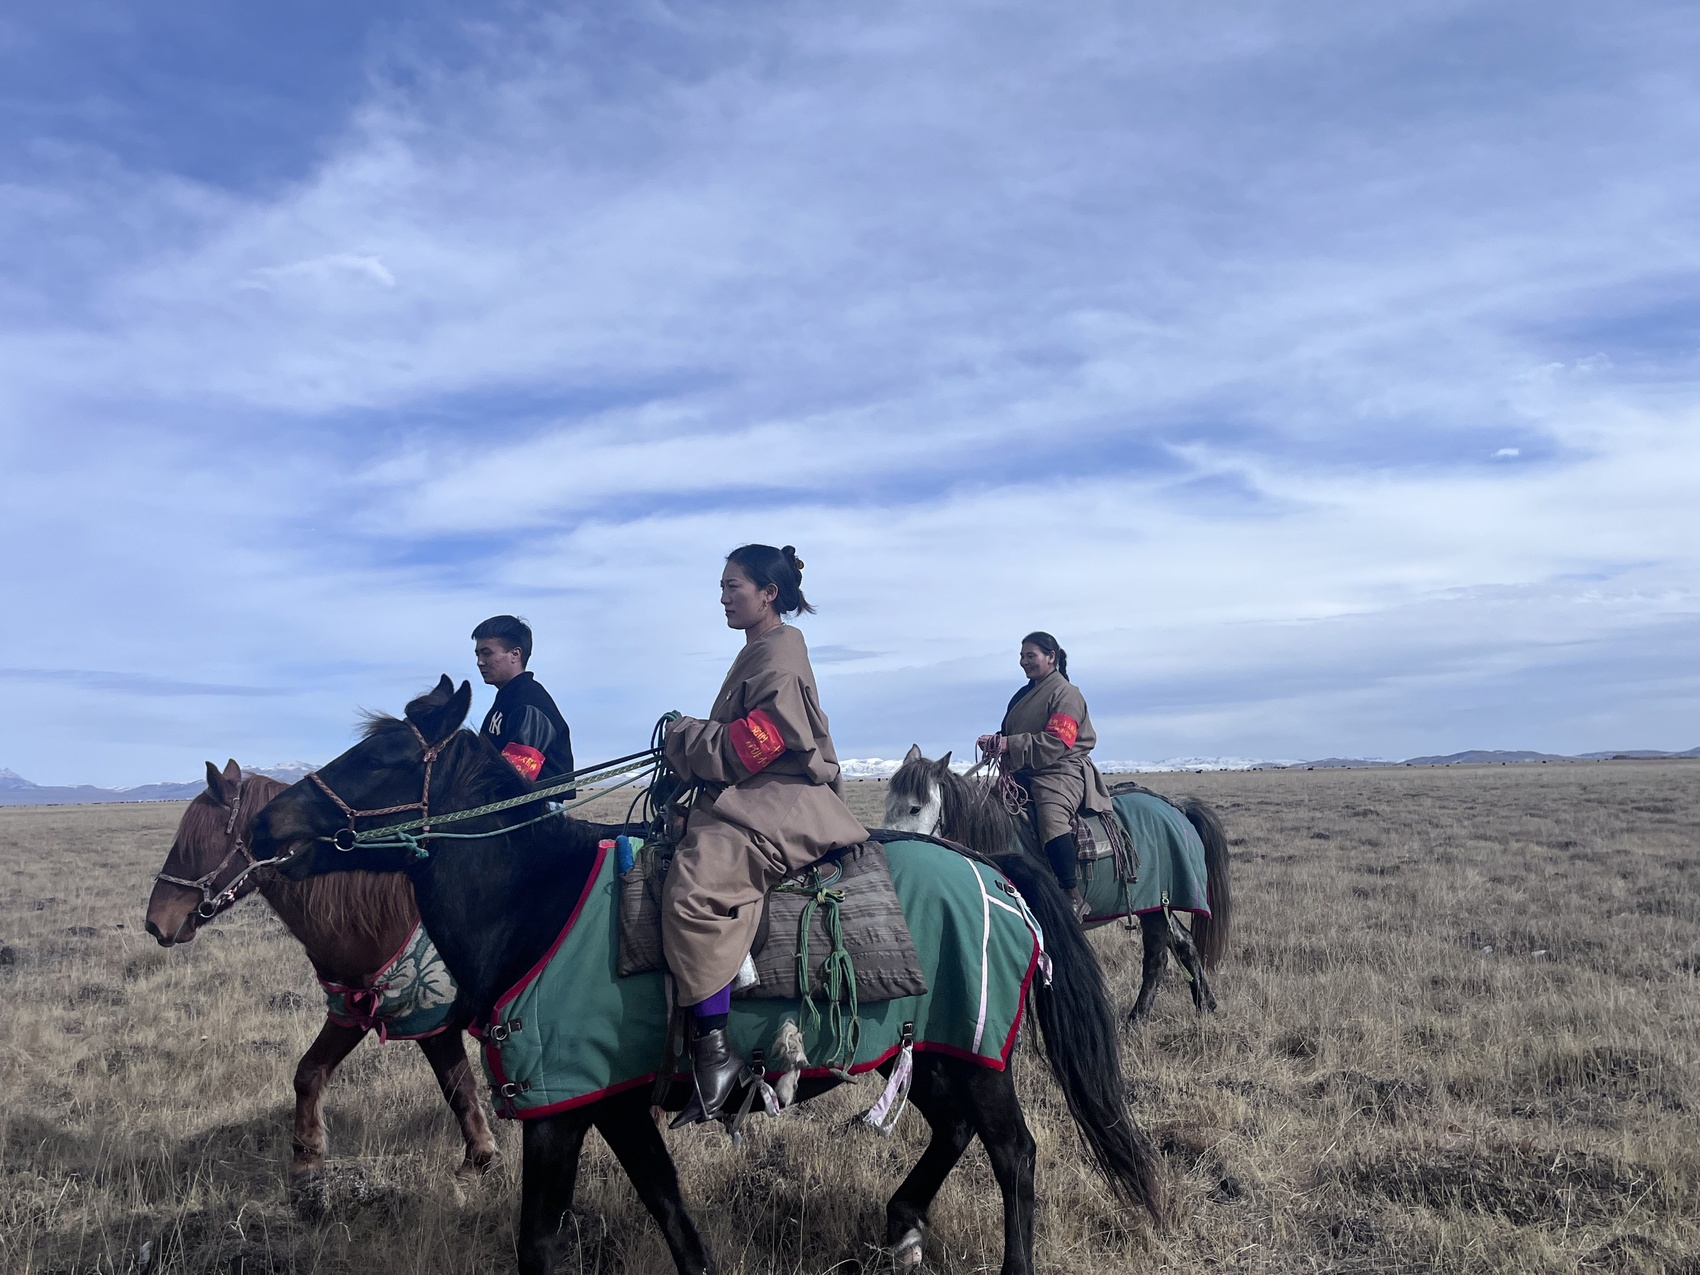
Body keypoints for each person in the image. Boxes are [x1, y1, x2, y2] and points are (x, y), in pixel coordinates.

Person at [660, 544, 868, 1124]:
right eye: (722, 588)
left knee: (694, 891)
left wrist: (682, 737)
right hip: (756, 792)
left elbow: (757, 745)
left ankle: (715, 1051)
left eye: (734, 587)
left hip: (779, 801)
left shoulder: (779, 654)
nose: (724, 598)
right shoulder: (760, 649)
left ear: (768, 594)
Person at [977, 631, 1113, 920]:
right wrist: (997, 740)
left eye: (1031, 656)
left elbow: (1057, 742)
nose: (1024, 662)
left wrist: (1009, 745)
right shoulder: (1023, 694)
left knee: (1052, 818)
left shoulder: (1066, 694)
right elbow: (1014, 733)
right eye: (1021, 656)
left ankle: (1072, 896)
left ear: (1051, 657)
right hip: (1022, 771)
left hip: (1061, 770)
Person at [472, 615, 576, 796]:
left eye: (487, 653)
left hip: (535, 809)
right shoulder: (508, 698)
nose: (480, 662)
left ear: (515, 654)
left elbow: (517, 777)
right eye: (478, 654)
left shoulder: (529, 704)